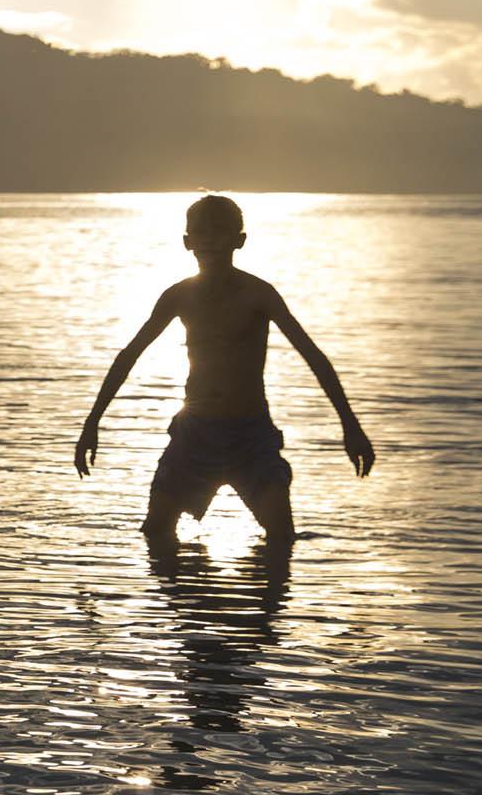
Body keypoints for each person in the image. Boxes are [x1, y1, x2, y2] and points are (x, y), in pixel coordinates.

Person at [74, 195, 377, 543]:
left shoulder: (258, 294)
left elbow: (313, 357)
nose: (210, 241)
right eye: (201, 234)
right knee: (156, 534)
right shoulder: (178, 296)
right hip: (194, 434)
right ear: (187, 243)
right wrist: (92, 423)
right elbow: (129, 356)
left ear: (239, 240)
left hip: (252, 436)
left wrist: (350, 426)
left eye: (220, 232)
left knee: (282, 538)